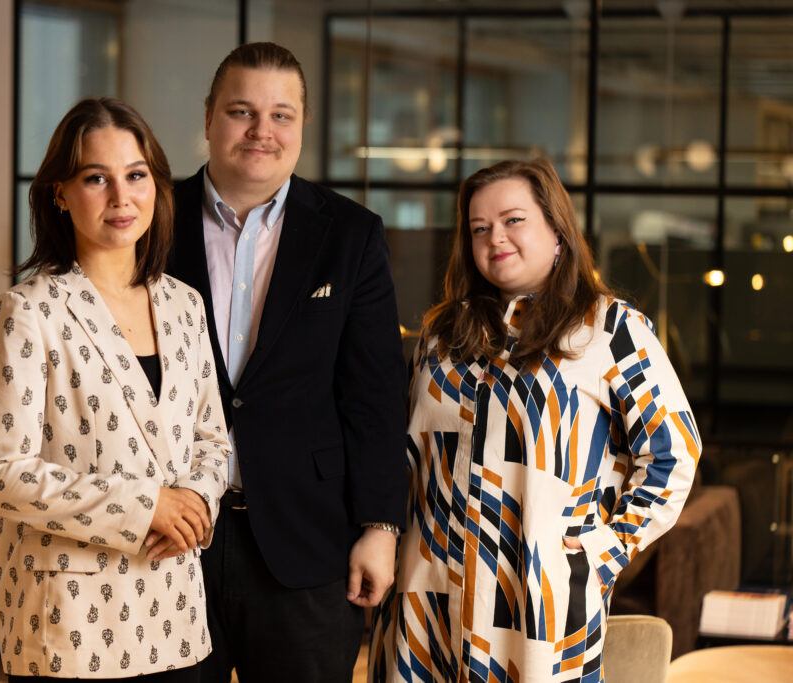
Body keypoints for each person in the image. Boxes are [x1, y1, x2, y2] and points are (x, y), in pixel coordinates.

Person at [370, 158, 700, 682]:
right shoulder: (442, 336)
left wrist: (605, 550)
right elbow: (404, 454)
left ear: (557, 231)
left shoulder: (609, 329)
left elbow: (673, 452)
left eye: (513, 220)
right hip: (427, 595)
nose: (495, 237)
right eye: (480, 228)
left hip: (540, 606)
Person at [166, 43, 408, 682]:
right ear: (210, 117)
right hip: (169, 539)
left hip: (308, 540)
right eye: (241, 111)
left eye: (281, 115)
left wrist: (381, 525)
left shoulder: (351, 234)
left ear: (303, 124)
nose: (261, 131)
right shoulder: (150, 219)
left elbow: (375, 394)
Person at [0, 98, 230, 682]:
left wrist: (195, 504)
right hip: (70, 624)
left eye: (136, 175)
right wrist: (146, 506)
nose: (121, 197)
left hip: (176, 613)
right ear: (60, 193)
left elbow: (213, 438)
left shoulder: (185, 305)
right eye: (96, 178)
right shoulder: (26, 311)